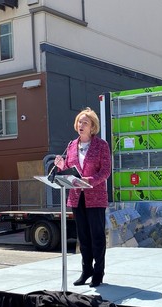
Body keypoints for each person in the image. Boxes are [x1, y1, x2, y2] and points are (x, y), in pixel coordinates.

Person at [54, 108, 111, 287]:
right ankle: (86, 270)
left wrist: (90, 180)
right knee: (83, 237)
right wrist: (61, 166)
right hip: (76, 197)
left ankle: (98, 273)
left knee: (97, 237)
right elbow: (69, 169)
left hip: (95, 197)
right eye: (79, 121)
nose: (81, 125)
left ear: (92, 126)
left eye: (85, 122)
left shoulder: (101, 145)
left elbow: (106, 171)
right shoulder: (71, 145)